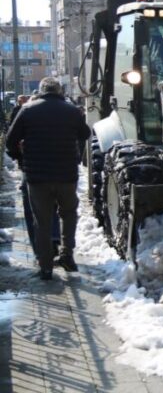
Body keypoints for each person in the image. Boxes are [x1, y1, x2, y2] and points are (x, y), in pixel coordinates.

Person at [6, 77, 91, 280]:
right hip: (66, 175)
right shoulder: (72, 110)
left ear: (41, 90)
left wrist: (22, 158)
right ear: (59, 91)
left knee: (41, 221)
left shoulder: (28, 110)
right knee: (69, 214)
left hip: (37, 177)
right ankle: (67, 255)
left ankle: (45, 267)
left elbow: (10, 141)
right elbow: (85, 133)